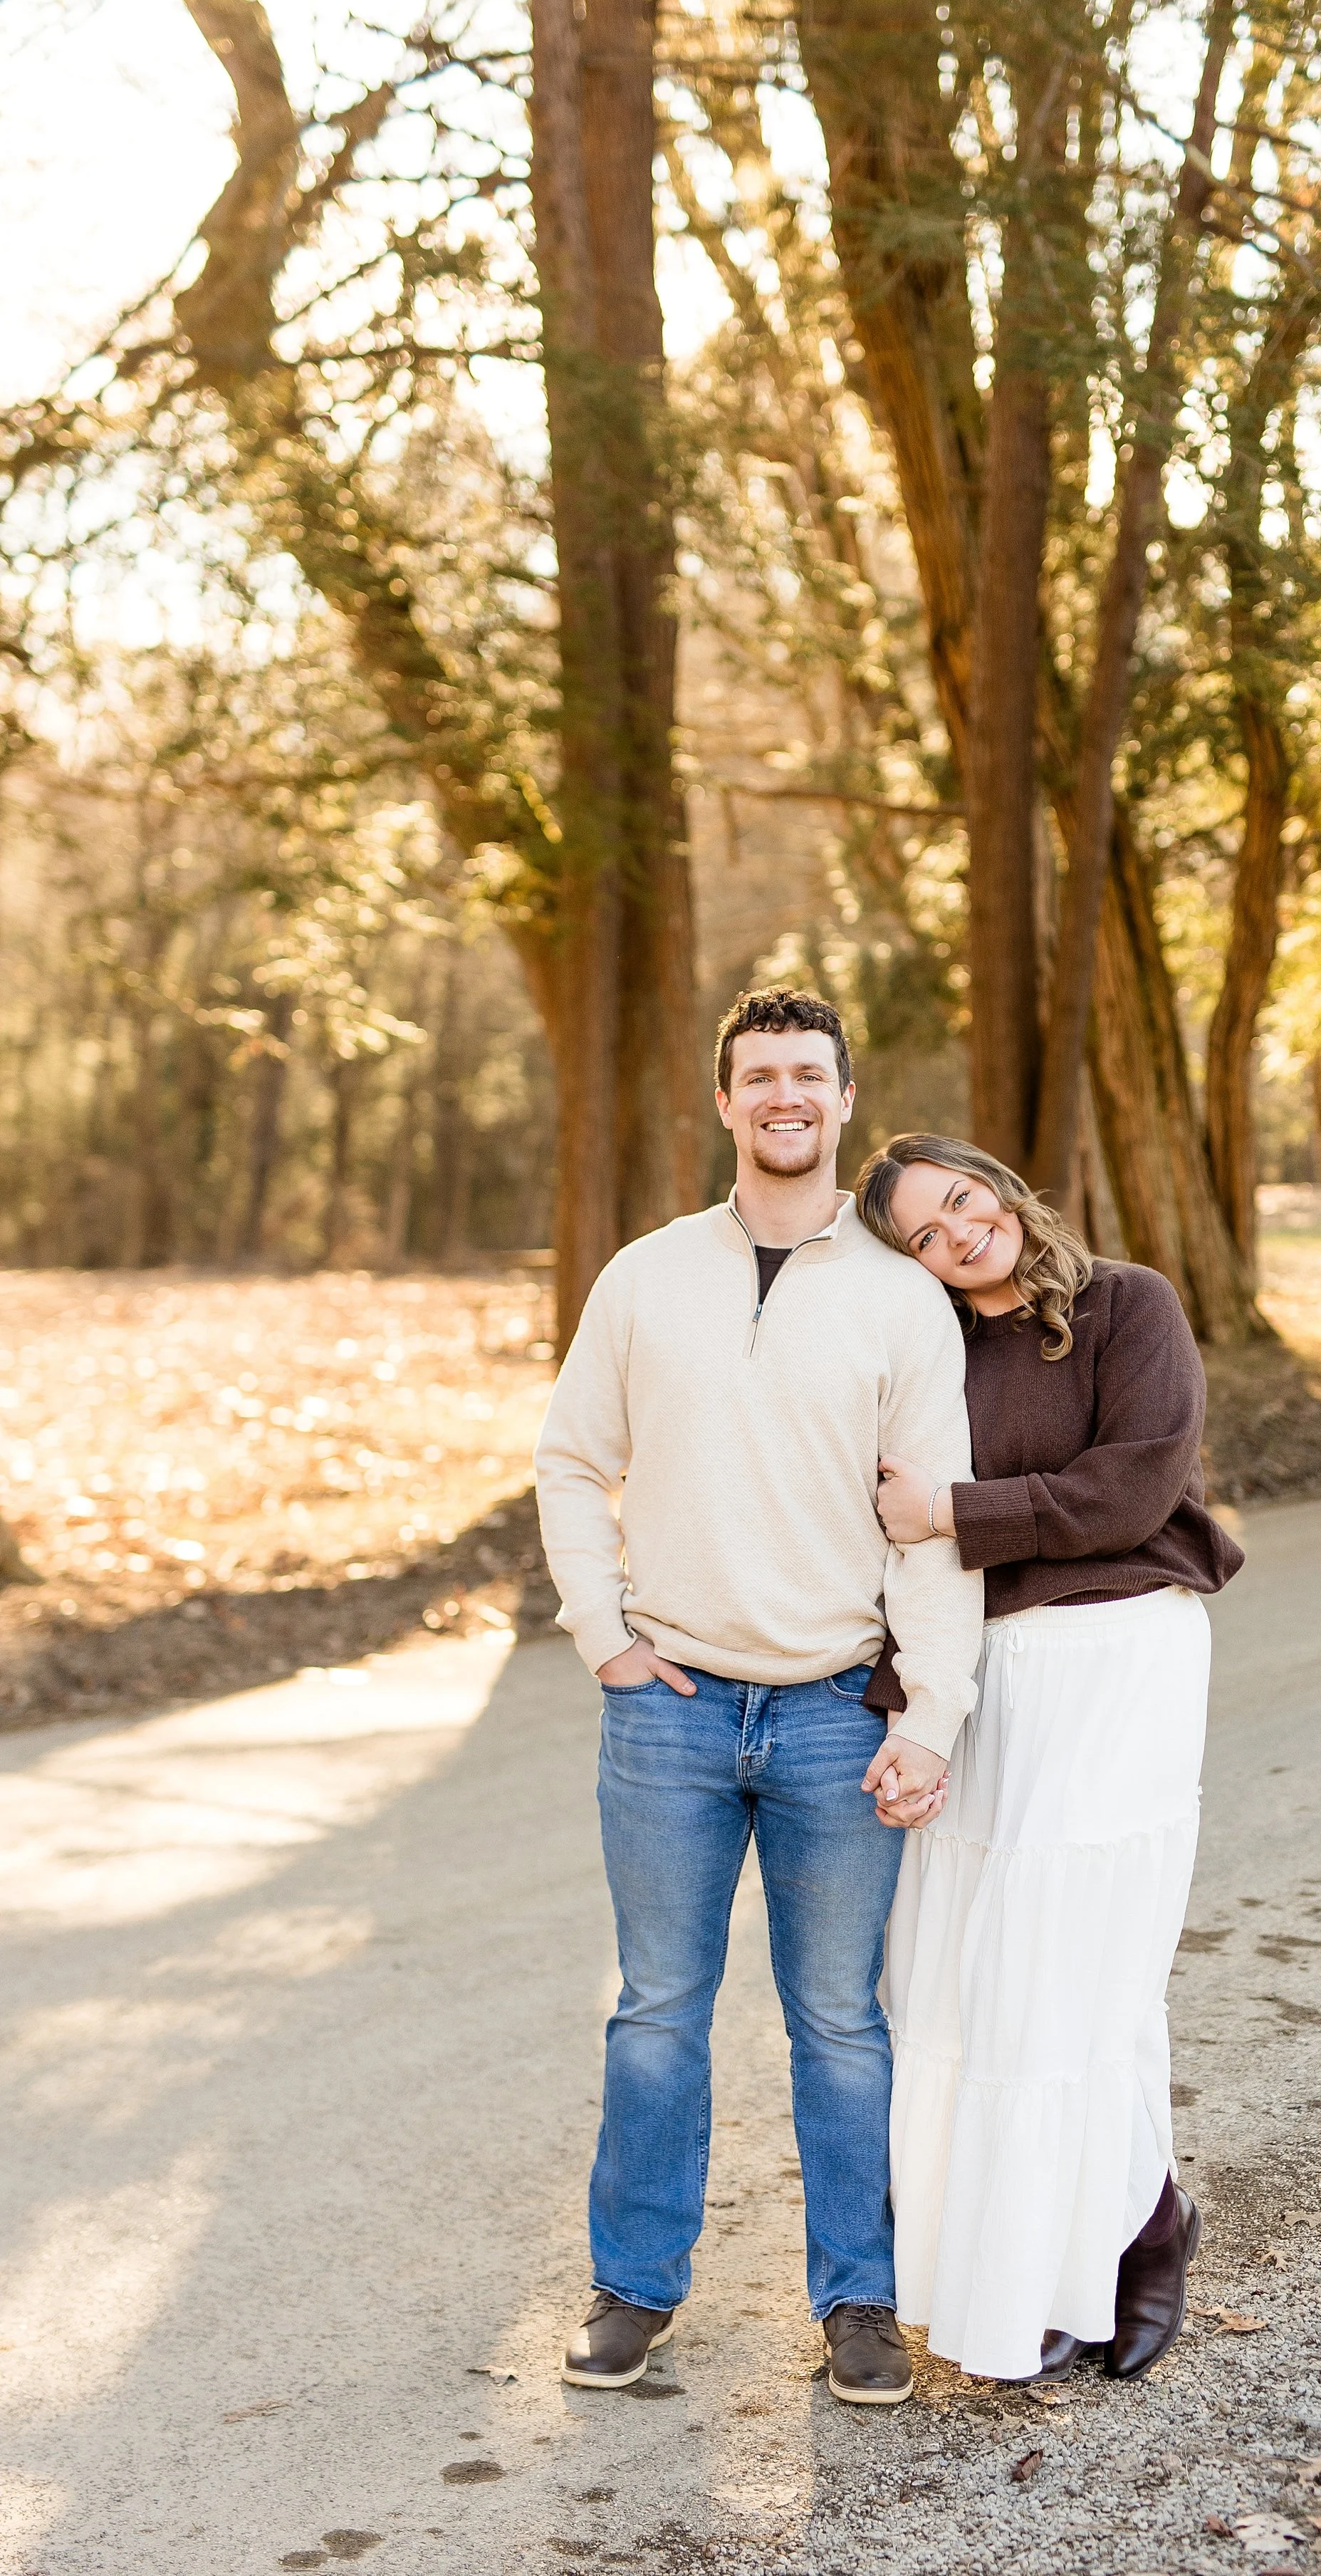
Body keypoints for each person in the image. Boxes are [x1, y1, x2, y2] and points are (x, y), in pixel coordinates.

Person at [535, 994, 982, 2406]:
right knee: (656, 2011)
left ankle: (859, 2299)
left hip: (832, 1710)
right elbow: (566, 1461)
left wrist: (929, 1715)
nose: (783, 1093)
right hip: (664, 1706)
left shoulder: (902, 1299)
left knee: (840, 2023)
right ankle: (633, 2290)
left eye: (808, 1074)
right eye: (758, 1076)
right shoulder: (645, 1277)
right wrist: (601, 1633)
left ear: (845, 1102)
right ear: (723, 1104)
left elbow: (929, 1528)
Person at [855, 1131, 1244, 2386]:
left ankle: (1138, 2232)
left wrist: (960, 1515)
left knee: (1081, 1963)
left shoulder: (1131, 1304)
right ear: (910, 1262)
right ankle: (1040, 2263)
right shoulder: (933, 1358)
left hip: (1121, 1654)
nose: (960, 1233)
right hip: (992, 1672)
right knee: (974, 1974)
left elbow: (1130, 1491)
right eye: (926, 1231)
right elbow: (897, 1554)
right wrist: (903, 1707)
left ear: (1002, 1190)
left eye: (963, 1200)